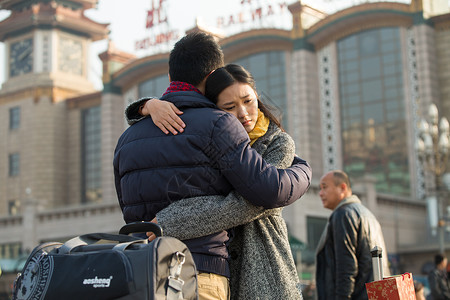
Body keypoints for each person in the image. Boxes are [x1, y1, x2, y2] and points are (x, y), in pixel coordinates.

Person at [114, 32, 312, 300]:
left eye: (248, 101)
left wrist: (144, 107)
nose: (242, 113)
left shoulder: (126, 139)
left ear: (171, 78)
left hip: (143, 273)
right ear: (212, 83)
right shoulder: (217, 125)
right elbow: (263, 193)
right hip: (202, 272)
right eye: (229, 106)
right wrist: (302, 172)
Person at [316, 170, 389, 300]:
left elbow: (346, 267)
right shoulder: (368, 215)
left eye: (324, 187)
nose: (321, 193)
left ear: (342, 187)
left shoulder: (343, 215)